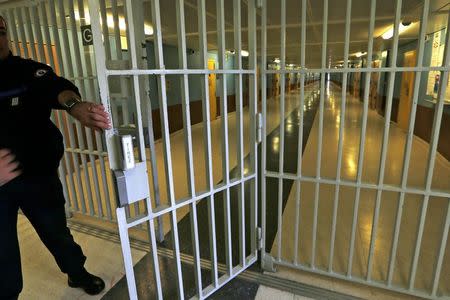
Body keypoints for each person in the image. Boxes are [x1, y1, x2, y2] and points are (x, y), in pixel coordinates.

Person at [0, 15, 111, 299]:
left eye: (0, 31)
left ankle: (77, 273)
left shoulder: (26, 70)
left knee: (56, 232)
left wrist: (74, 105)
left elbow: (54, 87)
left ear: (7, 36)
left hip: (37, 176)